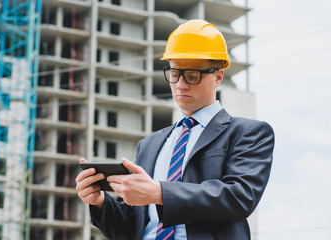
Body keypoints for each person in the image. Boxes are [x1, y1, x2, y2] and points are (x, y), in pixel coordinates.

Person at [75, 19, 274, 240]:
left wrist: (160, 193)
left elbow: (238, 197)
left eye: (192, 75)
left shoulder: (247, 133)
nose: (180, 84)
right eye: (174, 73)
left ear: (218, 76)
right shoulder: (150, 145)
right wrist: (100, 202)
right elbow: (135, 226)